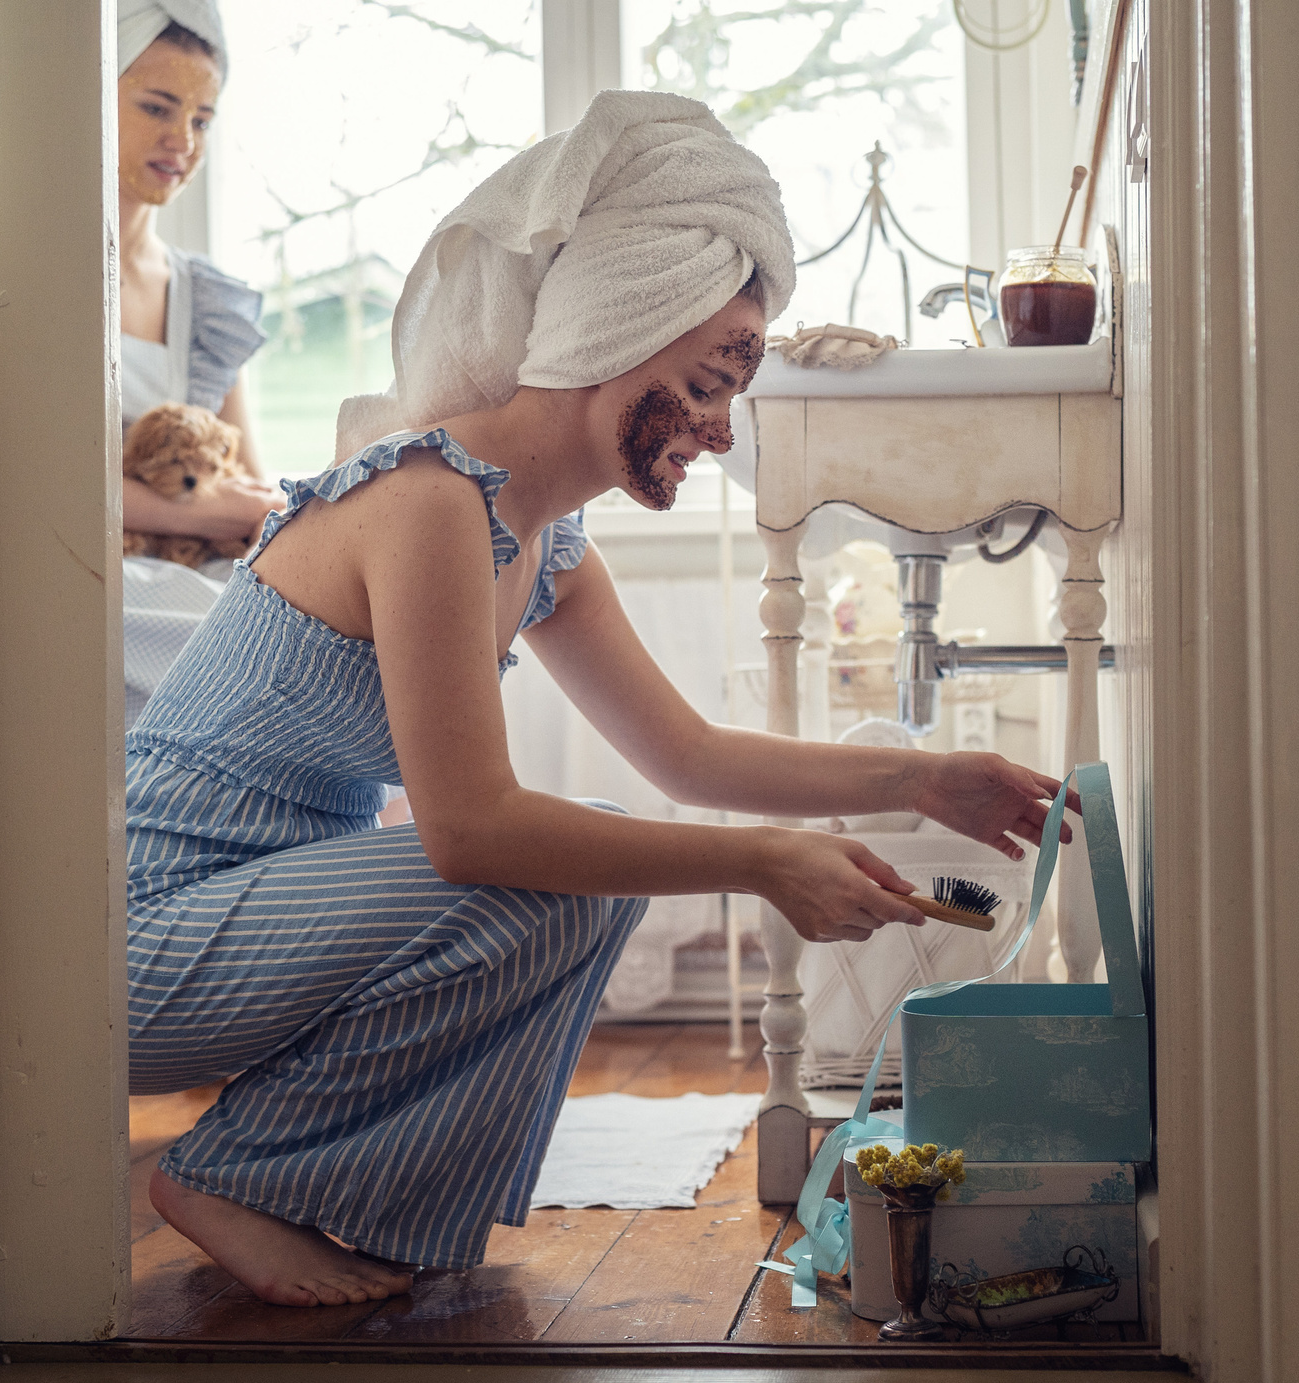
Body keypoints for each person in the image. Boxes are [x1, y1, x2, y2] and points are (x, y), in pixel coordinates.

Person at [127, 90, 1072, 1307]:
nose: (718, 434)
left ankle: (339, 1195)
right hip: (143, 949)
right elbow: (470, 831)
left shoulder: (543, 541)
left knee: (590, 875)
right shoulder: (423, 502)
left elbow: (689, 755)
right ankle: (233, 1178)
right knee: (555, 864)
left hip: (251, 934)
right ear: (615, 330)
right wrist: (763, 862)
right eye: (709, 382)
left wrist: (925, 780)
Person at [112, 0, 278, 724]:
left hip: (195, 573)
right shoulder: (38, 284)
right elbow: (43, 487)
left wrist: (251, 513)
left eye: (202, 120)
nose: (181, 139)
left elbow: (249, 481)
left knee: (309, 637)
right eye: (156, 107)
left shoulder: (205, 300)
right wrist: (217, 510)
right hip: (102, 576)